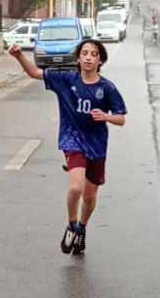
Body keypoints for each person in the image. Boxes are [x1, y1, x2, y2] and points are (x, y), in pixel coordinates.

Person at [8, 38, 127, 255]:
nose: (88, 58)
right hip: (72, 140)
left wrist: (106, 116)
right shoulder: (66, 79)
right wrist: (19, 56)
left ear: (100, 60)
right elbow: (35, 73)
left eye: (93, 54)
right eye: (84, 53)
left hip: (97, 145)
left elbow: (121, 119)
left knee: (89, 195)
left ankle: (82, 227)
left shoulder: (107, 88)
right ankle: (72, 225)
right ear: (78, 58)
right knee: (75, 188)